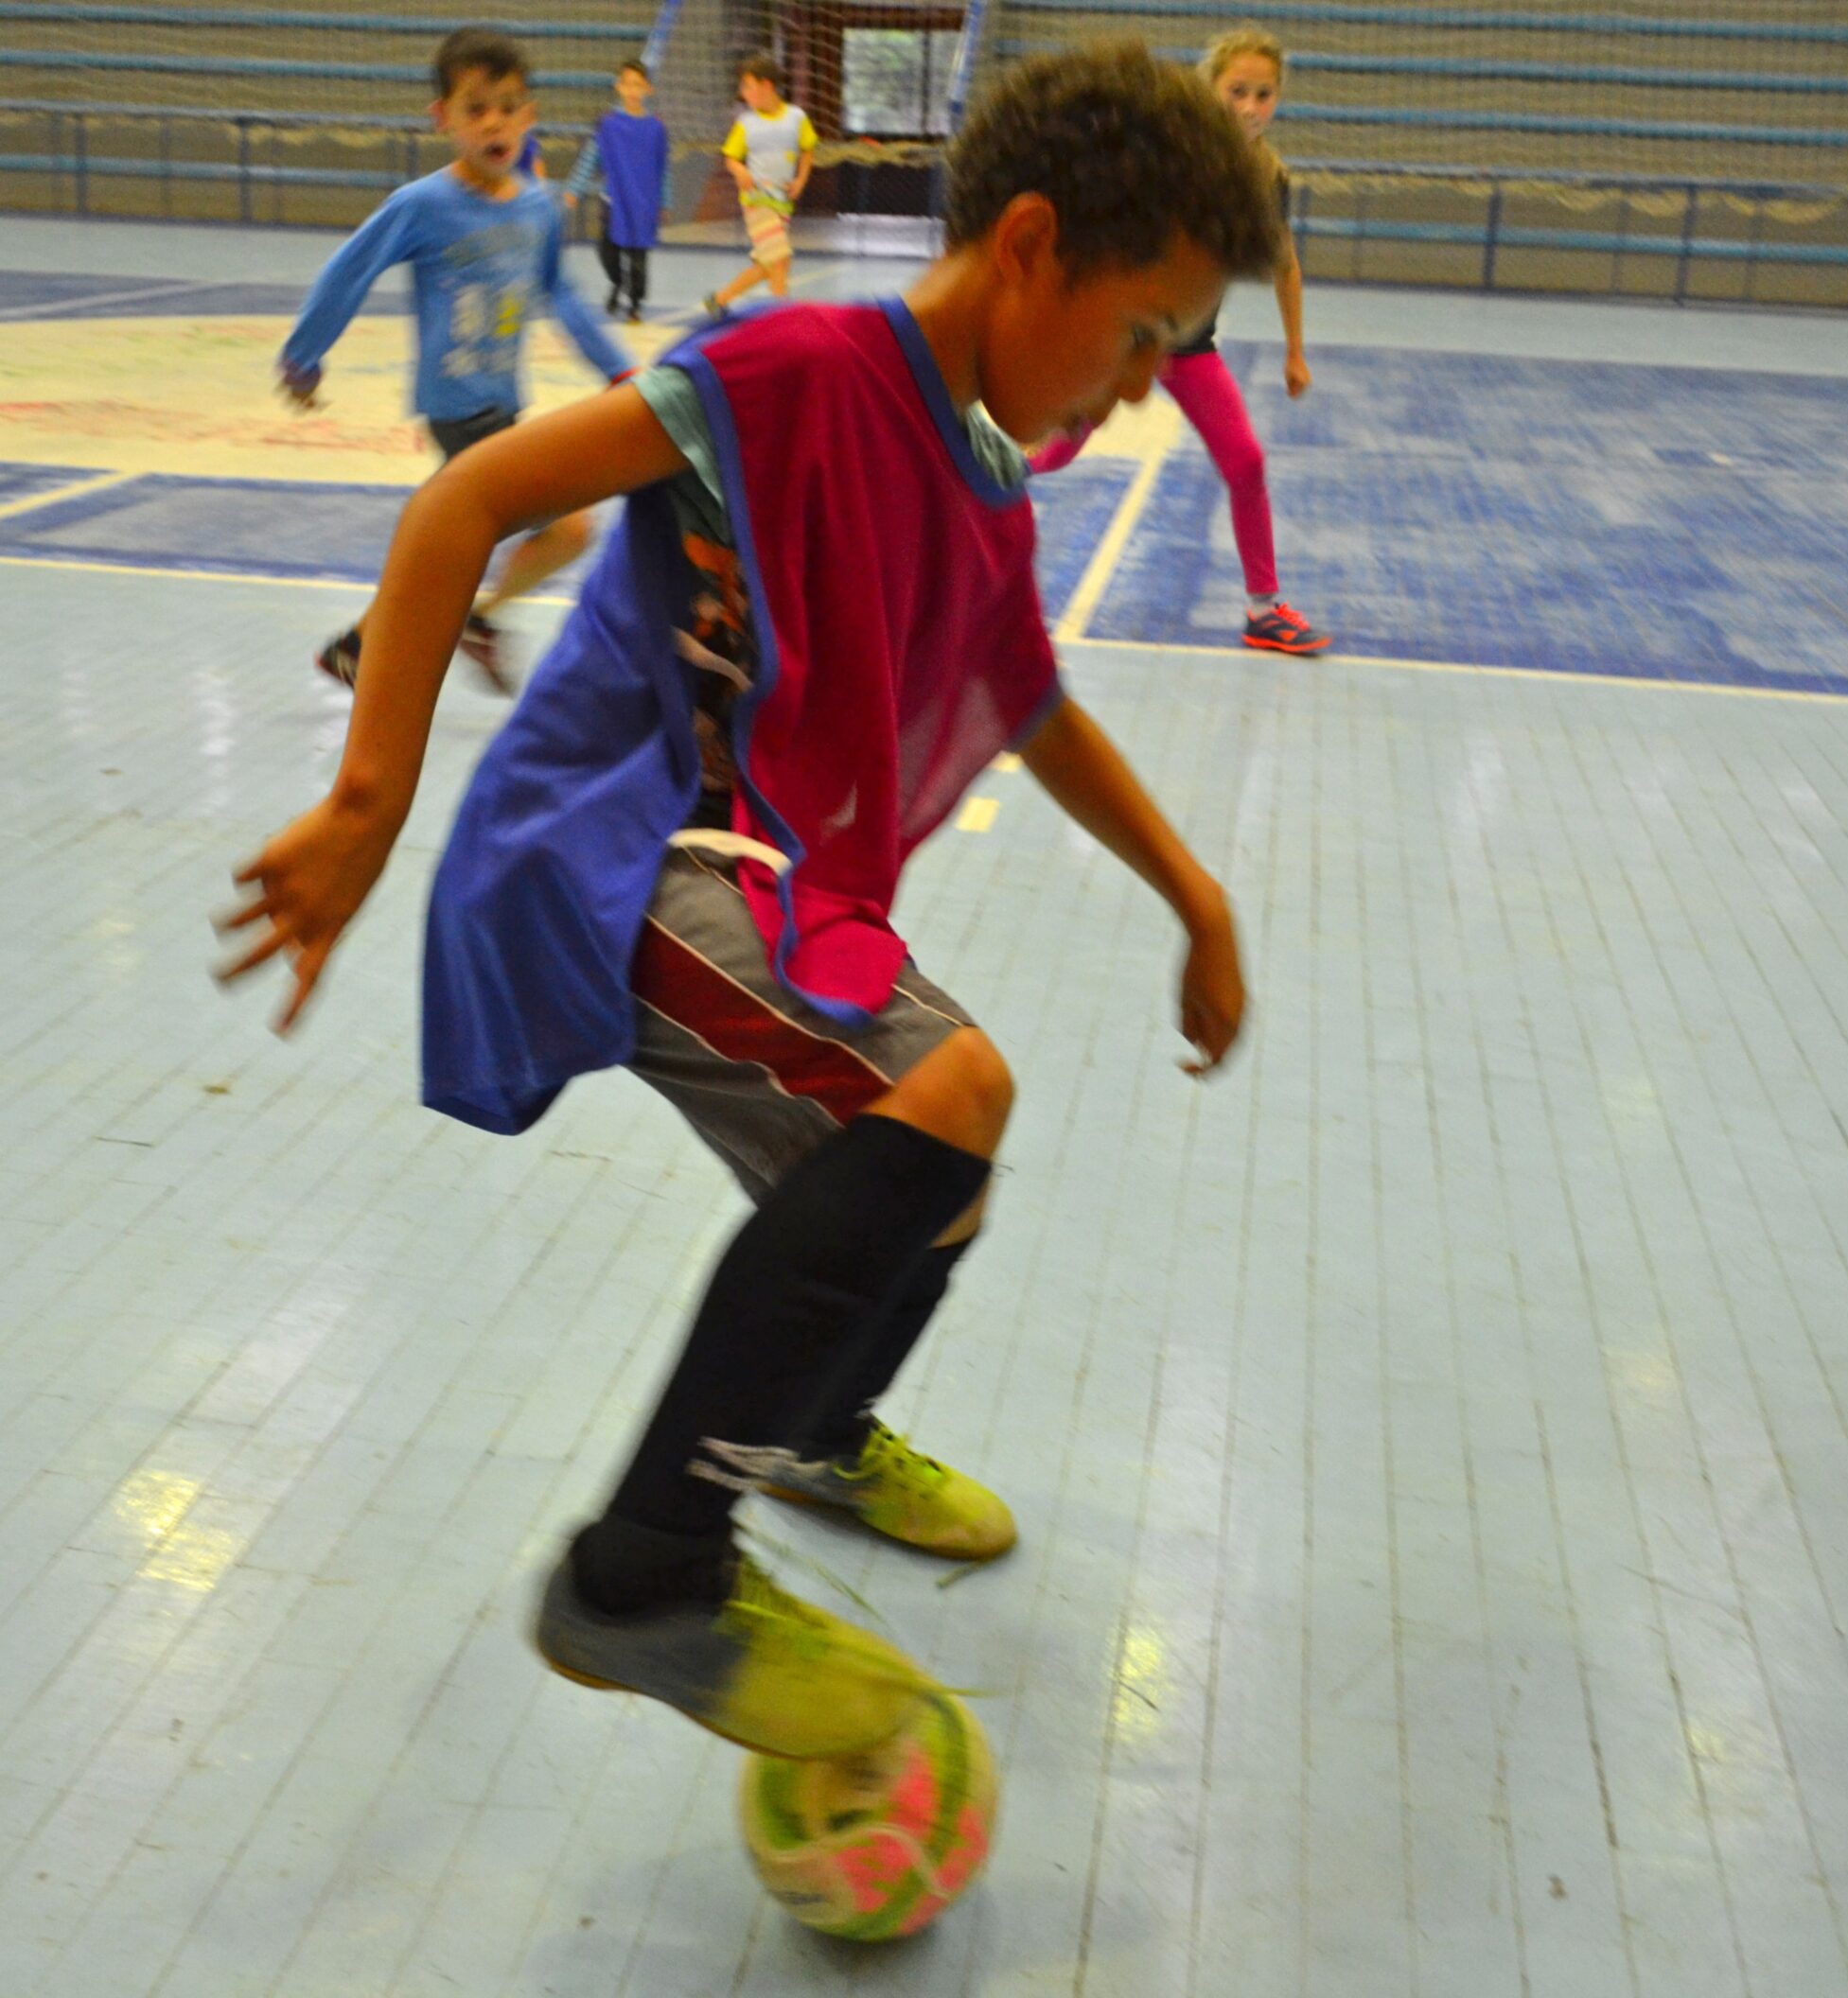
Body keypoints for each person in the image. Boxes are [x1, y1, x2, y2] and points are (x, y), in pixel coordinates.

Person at [218, 44, 1278, 1762]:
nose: (1152, 382)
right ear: (1028, 246)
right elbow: (466, 499)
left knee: (935, 1192)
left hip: (758, 871)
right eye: (1148, 330)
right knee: (948, 1095)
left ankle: (803, 1436)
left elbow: (1027, 698)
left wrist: (1195, 893)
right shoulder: (786, 367)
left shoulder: (984, 469)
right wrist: (366, 798)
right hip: (611, 851)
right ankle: (642, 1576)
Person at [276, 26, 631, 695]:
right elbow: (348, 272)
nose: (494, 123)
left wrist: (618, 370)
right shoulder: (423, 206)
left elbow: (561, 294)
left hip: (503, 402)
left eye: (508, 106)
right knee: (571, 526)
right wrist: (304, 355)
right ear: (443, 119)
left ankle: (363, 644)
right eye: (476, 108)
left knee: (448, 544)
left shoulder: (537, 210)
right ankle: (469, 623)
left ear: (530, 116)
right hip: (456, 409)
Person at [1026, 26, 1329, 656]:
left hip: (1190, 349)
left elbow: (1284, 266)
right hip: (1127, 341)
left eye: (1263, 94)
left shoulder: (1270, 178)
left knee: (1246, 462)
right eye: (1236, 91)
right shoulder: (1169, 164)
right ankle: (963, 490)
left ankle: (1264, 610)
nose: (1250, 106)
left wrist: (1295, 349)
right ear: (1209, 90)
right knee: (1054, 454)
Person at [704, 52, 813, 318]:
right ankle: (781, 317)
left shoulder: (796, 118)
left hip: (782, 202)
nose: (744, 93)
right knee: (781, 260)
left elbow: (807, 150)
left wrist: (800, 179)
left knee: (768, 264)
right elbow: (730, 157)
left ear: (767, 86)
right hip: (756, 200)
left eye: (748, 87)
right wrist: (740, 169)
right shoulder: (746, 123)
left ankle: (719, 300)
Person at [565, 57, 671, 324]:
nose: (633, 90)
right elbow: (591, 157)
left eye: (639, 84)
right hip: (613, 201)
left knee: (638, 259)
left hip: (644, 203)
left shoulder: (656, 128)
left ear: (648, 88)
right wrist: (574, 189)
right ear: (618, 87)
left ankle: (634, 305)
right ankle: (617, 282)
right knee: (607, 252)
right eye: (628, 84)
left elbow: (663, 167)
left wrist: (664, 202)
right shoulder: (608, 124)